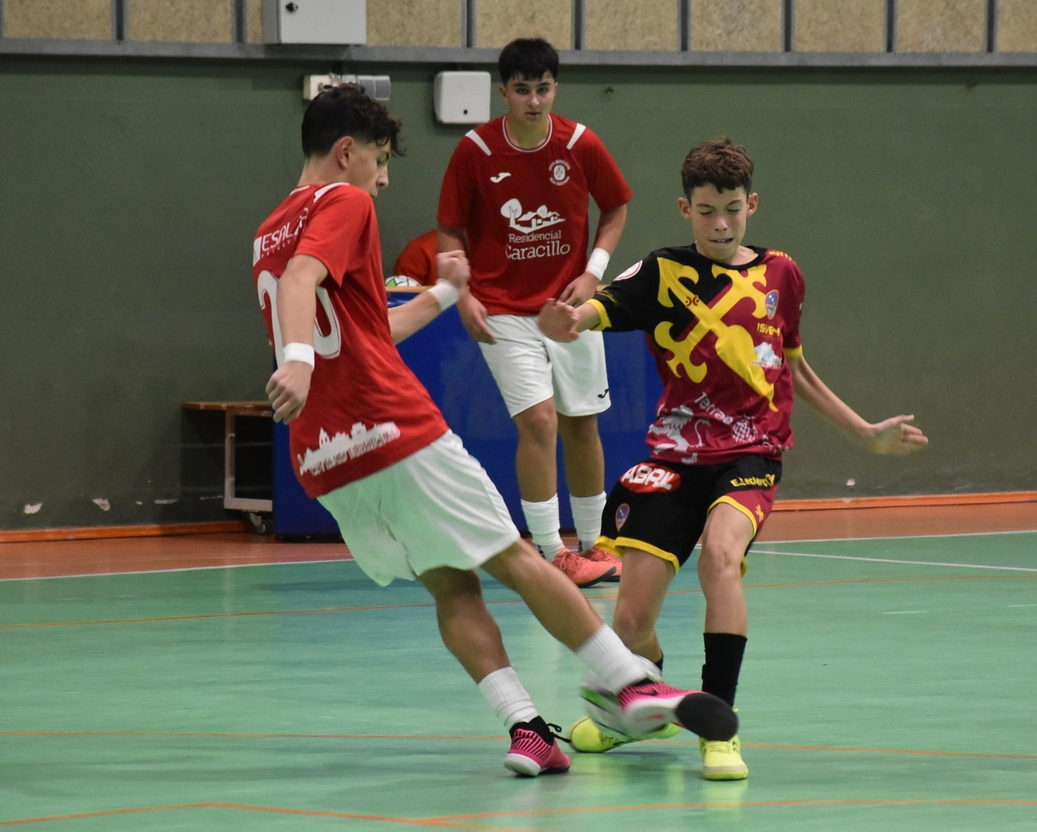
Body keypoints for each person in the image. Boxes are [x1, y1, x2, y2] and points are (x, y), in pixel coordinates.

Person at [252, 87, 737, 777]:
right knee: (517, 558)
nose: (383, 179)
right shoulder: (344, 201)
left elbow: (367, 331)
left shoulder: (269, 229)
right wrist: (298, 362)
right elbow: (306, 280)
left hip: (326, 458)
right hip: (392, 429)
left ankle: (526, 730)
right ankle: (629, 683)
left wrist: (445, 294)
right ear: (346, 152)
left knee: (452, 585)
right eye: (380, 161)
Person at [538, 138, 929, 780]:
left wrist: (864, 433)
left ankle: (719, 724)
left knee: (721, 557)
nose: (720, 224)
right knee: (630, 620)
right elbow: (599, 307)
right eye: (706, 211)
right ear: (684, 209)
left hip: (752, 451)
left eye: (732, 210)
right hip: (674, 456)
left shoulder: (782, 274)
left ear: (752, 205)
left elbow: (793, 367)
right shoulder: (662, 271)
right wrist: (569, 320)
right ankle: (638, 710)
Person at [437, 37, 629, 587]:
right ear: (504, 92)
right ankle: (549, 551)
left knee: (581, 422)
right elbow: (449, 229)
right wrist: (463, 295)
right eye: (522, 90)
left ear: (555, 88)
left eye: (543, 89)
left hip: (570, 307)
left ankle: (593, 544)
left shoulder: (581, 144)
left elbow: (615, 207)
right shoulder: (475, 150)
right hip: (503, 310)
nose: (534, 100)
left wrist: (592, 272)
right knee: (540, 421)